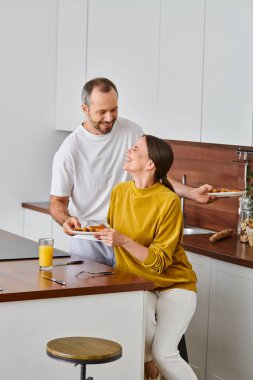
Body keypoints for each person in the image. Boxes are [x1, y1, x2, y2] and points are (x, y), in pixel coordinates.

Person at [50, 77, 213, 266]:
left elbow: (154, 174)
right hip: (89, 241)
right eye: (101, 112)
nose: (109, 118)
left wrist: (191, 193)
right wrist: (66, 219)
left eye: (114, 109)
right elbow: (57, 202)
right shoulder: (69, 151)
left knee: (130, 294)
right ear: (85, 110)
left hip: (129, 239)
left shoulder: (132, 131)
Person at [93, 135, 198, 380]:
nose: (129, 150)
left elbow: (159, 262)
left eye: (136, 148)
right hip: (141, 284)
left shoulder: (169, 201)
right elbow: (114, 232)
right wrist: (89, 230)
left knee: (163, 353)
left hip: (175, 286)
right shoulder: (119, 192)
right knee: (138, 347)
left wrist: (123, 240)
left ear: (150, 164)